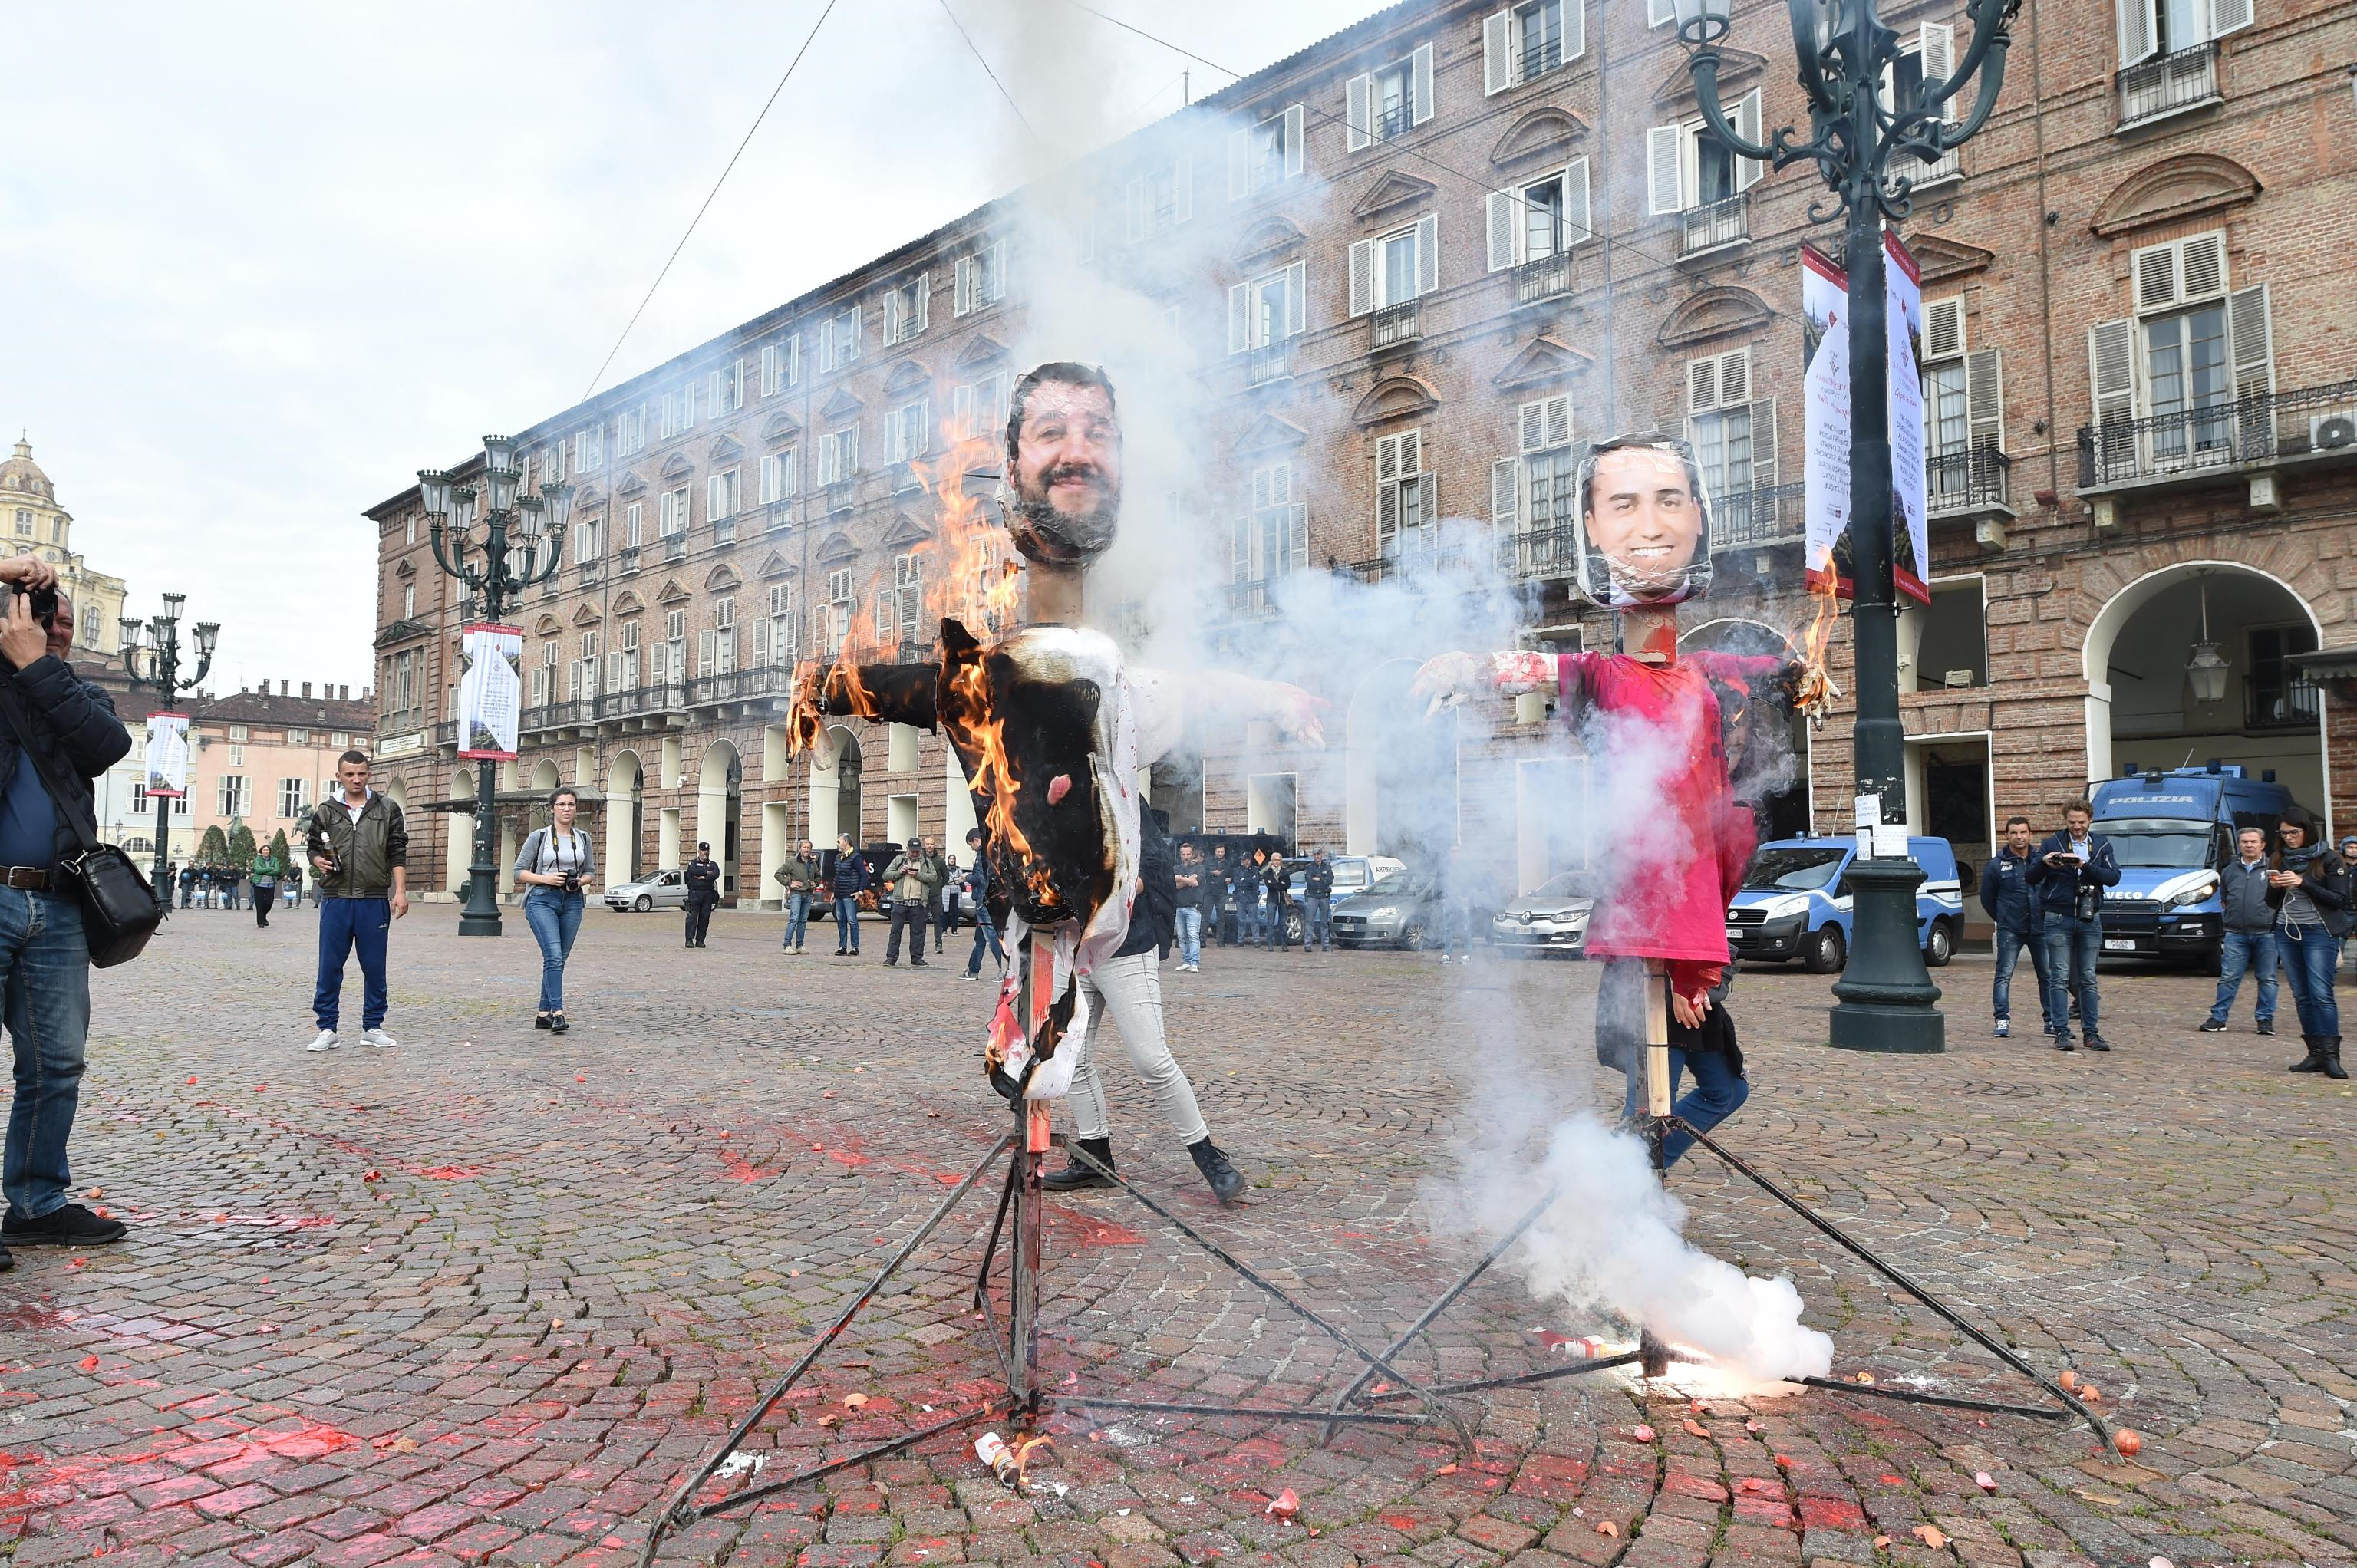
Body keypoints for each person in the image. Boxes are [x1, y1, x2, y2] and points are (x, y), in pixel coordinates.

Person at [0, 564, 135, 1260]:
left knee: (56, 1064)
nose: (56, 625)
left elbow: (107, 747)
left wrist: (37, 666)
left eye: (63, 618)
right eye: (40, 612)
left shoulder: (75, 692)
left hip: (55, 900)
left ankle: (35, 1204)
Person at [1040, 814, 1245, 1203]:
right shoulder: (1044, 789)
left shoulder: (1120, 787)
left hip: (1126, 945)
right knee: (1073, 1057)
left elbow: (1153, 861)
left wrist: (1120, 895)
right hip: (1070, 947)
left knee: (1152, 1060)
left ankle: (1208, 1158)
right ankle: (1094, 1158)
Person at [303, 750, 408, 1052]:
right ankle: (327, 1028)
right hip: (336, 898)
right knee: (329, 965)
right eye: (349, 774)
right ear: (339, 776)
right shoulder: (327, 810)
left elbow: (397, 851)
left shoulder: (387, 808)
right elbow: (313, 846)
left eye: (361, 773)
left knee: (374, 966)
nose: (356, 779)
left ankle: (373, 1027)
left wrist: (399, 891)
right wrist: (316, 860)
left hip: (374, 898)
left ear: (369, 774)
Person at [2027, 799, 2121, 1052]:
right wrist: (2045, 862)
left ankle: (2091, 1033)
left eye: (2081, 822)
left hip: (2090, 916)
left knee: (2088, 977)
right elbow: (2031, 878)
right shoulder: (2052, 843)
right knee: (2059, 976)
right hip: (2058, 915)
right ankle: (2061, 1031)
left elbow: (2114, 878)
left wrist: (2084, 865)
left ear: (2090, 820)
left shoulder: (2101, 844)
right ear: (2065, 820)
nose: (2077, 827)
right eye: (2072, 822)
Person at [2271, 806, 2350, 1079]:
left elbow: (2340, 901)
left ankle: (2331, 1056)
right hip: (2286, 930)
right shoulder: (2279, 859)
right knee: (2301, 995)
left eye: (2294, 832)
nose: (2289, 838)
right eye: (2284, 834)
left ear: (2307, 830)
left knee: (2321, 993)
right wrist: (2274, 887)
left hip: (2319, 931)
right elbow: (2271, 903)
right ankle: (2314, 1053)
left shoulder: (2329, 859)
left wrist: (2303, 883)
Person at [515, 788, 594, 1034]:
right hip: (541, 899)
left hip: (572, 901)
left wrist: (580, 881)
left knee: (558, 960)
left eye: (571, 804)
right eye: (561, 804)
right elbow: (518, 872)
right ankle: (558, 1013)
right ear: (552, 808)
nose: (567, 809)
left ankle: (542, 1014)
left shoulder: (583, 838)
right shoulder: (538, 837)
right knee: (554, 957)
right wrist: (546, 879)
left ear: (576, 808)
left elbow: (590, 871)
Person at [2202, 825, 2279, 1037]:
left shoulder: (2274, 867)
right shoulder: (2229, 871)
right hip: (2236, 932)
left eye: (2254, 841)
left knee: (2267, 978)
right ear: (2239, 844)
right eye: (2245, 841)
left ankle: (2265, 1019)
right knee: (2228, 977)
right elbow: (2225, 899)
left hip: (2267, 932)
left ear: (2263, 844)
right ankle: (2218, 1017)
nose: (2249, 845)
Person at [1980, 816, 2049, 1039]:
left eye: (2023, 832)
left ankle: (2052, 1021)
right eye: (2014, 833)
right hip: (2010, 928)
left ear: (2030, 834)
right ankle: (2002, 1020)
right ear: (2006, 835)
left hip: (2040, 926)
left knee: (2048, 976)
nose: (2019, 837)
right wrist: (2003, 917)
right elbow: (1987, 899)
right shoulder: (1996, 864)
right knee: (2004, 975)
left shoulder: (2042, 860)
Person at [882, 836, 941, 967]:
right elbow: (886, 875)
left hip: (918, 903)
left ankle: (917, 958)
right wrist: (899, 872)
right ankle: (891, 958)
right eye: (912, 851)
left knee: (918, 932)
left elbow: (934, 877)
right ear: (907, 850)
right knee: (895, 931)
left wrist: (918, 875)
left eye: (917, 851)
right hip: (900, 902)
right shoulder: (899, 859)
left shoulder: (925, 861)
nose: (915, 854)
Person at [963, 828, 1004, 980]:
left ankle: (1004, 969)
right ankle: (973, 970)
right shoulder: (990, 852)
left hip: (983, 902)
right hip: (985, 901)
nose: (972, 848)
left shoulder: (982, 855)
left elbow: (980, 878)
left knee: (992, 937)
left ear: (976, 840)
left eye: (970, 845)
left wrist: (966, 877)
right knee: (980, 938)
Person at [773, 837, 819, 954]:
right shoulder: (792, 862)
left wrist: (816, 883)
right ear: (800, 849)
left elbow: (818, 876)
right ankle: (787, 945)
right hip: (796, 894)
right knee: (794, 919)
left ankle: (800, 945)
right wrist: (789, 883)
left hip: (808, 894)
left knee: (803, 920)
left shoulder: (813, 863)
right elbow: (778, 874)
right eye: (804, 847)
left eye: (808, 848)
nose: (806, 850)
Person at [829, 834, 869, 956]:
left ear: (846, 843)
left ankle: (854, 947)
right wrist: (834, 892)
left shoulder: (855, 857)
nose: (837, 844)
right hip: (840, 893)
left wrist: (860, 891)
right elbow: (837, 876)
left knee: (852, 920)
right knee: (841, 920)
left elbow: (864, 875)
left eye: (839, 841)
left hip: (850, 893)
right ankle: (842, 946)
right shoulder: (838, 857)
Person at [1173, 841, 1206, 972]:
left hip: (1194, 907)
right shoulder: (1176, 869)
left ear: (1192, 855)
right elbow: (1174, 885)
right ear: (1180, 855)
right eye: (1183, 854)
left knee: (1193, 935)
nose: (1186, 857)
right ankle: (1186, 961)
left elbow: (1196, 883)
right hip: (1180, 906)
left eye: (1188, 854)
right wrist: (1188, 880)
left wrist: (1180, 879)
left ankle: (1194, 962)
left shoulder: (1199, 868)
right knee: (1182, 936)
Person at [682, 841, 721, 948]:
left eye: (707, 850)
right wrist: (706, 872)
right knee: (692, 917)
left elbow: (716, 874)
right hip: (695, 893)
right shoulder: (693, 863)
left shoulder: (713, 864)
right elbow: (693, 871)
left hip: (708, 894)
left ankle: (700, 940)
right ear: (699, 851)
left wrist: (704, 877)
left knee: (705, 918)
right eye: (704, 850)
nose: (706, 852)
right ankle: (689, 940)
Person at [1301, 848, 1335, 955]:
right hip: (1313, 896)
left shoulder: (1327, 867)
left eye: (1319, 854)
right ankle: (1308, 944)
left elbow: (1330, 881)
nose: (1317, 856)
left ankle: (1325, 944)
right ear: (1313, 855)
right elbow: (1310, 881)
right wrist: (1321, 880)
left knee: (1324, 922)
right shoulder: (1309, 868)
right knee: (1309, 921)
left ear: (1322, 855)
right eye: (1315, 854)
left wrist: (1320, 879)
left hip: (1324, 896)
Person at [1261, 848, 1292, 950]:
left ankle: (1284, 944)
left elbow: (1287, 885)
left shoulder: (1285, 872)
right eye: (1275, 860)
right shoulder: (1268, 872)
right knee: (1270, 923)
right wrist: (1279, 884)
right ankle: (1270, 944)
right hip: (1272, 899)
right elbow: (1269, 885)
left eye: (1279, 860)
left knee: (1282, 924)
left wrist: (1276, 885)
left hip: (1282, 899)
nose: (1277, 862)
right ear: (1272, 861)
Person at [249, 842, 281, 929]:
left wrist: (265, 871)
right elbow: (258, 870)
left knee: (269, 902)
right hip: (259, 884)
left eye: (267, 850)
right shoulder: (257, 859)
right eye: (264, 850)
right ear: (261, 851)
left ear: (270, 851)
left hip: (270, 884)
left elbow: (277, 870)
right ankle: (261, 923)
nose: (266, 851)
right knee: (259, 903)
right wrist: (270, 869)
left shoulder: (274, 859)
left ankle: (263, 917)